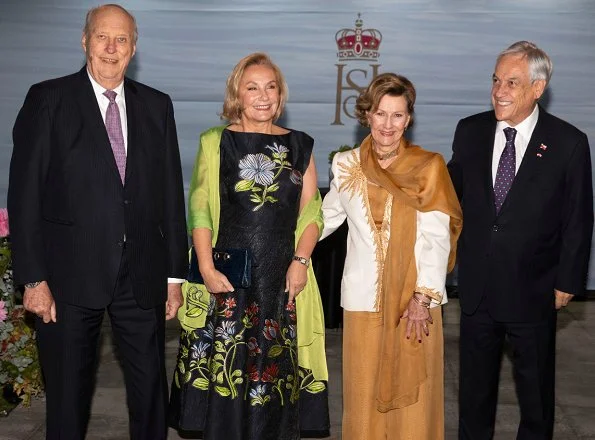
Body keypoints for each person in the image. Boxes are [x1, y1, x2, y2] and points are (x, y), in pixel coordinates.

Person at [7, 4, 187, 439]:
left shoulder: (156, 105)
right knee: (68, 400)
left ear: (134, 47)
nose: (111, 47)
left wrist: (173, 276)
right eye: (102, 37)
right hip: (66, 277)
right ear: (84, 40)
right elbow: (24, 194)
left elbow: (170, 195)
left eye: (121, 39)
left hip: (140, 275)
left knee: (149, 395)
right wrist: (33, 279)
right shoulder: (48, 99)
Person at [168, 52, 330, 440]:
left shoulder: (300, 145)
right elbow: (201, 208)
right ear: (236, 94)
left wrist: (300, 262)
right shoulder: (215, 141)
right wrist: (206, 269)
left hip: (281, 278)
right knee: (226, 366)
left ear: (281, 94)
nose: (263, 96)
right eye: (252, 87)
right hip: (227, 277)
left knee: (273, 373)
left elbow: (312, 215)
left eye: (270, 87)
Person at [448, 41, 593, 440]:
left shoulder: (568, 142)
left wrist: (569, 280)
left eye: (512, 82)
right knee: (473, 395)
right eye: (496, 80)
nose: (499, 91)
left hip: (535, 288)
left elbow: (578, 218)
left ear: (537, 87)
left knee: (535, 396)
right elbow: (447, 192)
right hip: (477, 288)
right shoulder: (470, 130)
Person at [321, 73, 462, 439]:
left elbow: (437, 235)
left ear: (409, 118)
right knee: (362, 396)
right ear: (367, 114)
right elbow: (325, 219)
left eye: (397, 115)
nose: (388, 124)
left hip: (414, 303)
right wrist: (278, 245)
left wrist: (422, 296)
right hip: (362, 301)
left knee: (414, 402)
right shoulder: (346, 165)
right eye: (381, 113)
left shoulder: (428, 166)